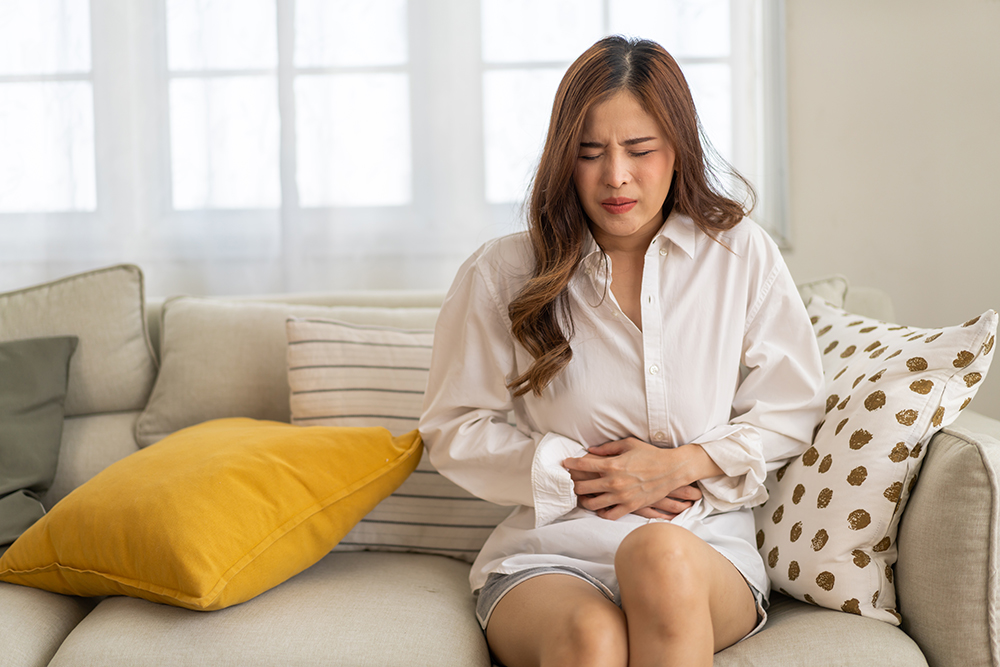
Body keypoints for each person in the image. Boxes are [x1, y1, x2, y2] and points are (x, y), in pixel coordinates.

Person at [418, 35, 824, 667]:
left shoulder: (740, 254)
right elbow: (452, 428)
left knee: (655, 554)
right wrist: (579, 474)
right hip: (553, 556)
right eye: (590, 154)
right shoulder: (503, 272)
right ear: (563, 159)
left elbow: (791, 409)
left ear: (679, 150)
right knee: (593, 639)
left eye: (640, 150)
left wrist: (682, 463)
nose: (616, 177)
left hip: (701, 548)